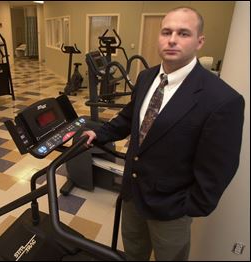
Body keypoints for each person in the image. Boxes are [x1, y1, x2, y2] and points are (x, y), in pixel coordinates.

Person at [83, 6, 245, 261]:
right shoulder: (147, 77)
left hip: (171, 208)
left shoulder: (222, 100)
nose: (172, 39)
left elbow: (219, 168)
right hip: (132, 194)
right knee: (134, 252)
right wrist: (99, 134)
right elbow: (129, 117)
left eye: (183, 33)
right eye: (166, 32)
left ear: (199, 41)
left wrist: (187, 207)